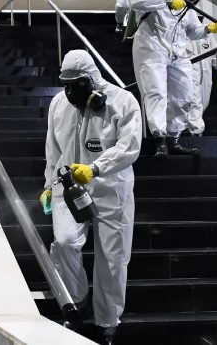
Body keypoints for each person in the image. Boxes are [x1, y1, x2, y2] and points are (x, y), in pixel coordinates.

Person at [43, 50, 141, 345]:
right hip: (69, 187)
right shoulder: (59, 103)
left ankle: (107, 322)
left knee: (113, 258)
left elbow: (130, 146)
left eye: (77, 83)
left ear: (92, 80)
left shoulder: (123, 101)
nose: (70, 91)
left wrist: (97, 168)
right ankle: (76, 299)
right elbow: (53, 149)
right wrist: (49, 185)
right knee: (64, 242)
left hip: (113, 188)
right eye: (66, 83)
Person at [127, 0, 217, 157]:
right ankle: (159, 139)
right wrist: (166, 0)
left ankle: (174, 138)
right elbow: (136, 1)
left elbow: (191, 31)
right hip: (151, 48)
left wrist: (210, 28)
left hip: (178, 53)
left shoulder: (186, 3)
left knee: (184, 95)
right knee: (156, 92)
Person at [184, 28, 217, 136]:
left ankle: (189, 127)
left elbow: (216, 54)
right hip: (189, 73)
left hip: (206, 76)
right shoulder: (181, 32)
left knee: (204, 102)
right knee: (194, 102)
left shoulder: (207, 35)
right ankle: (196, 132)